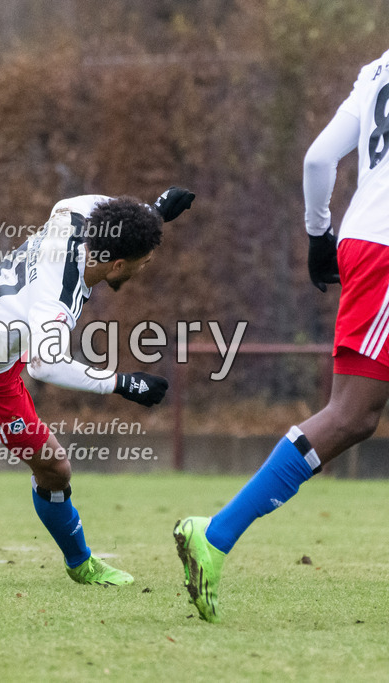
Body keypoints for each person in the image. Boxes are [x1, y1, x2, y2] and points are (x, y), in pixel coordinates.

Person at [175, 48, 389, 623]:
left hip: (365, 240)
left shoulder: (377, 70)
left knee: (354, 415)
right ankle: (215, 535)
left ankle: (216, 535)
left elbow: (320, 159)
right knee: (350, 414)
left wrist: (319, 235)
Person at [0, 188, 192, 586]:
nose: (144, 269)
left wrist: (152, 213)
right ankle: (80, 561)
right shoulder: (58, 302)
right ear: (117, 265)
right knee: (54, 467)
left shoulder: (72, 216)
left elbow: (96, 205)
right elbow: (46, 365)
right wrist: (123, 383)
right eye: (143, 263)